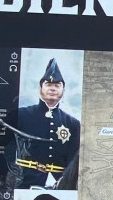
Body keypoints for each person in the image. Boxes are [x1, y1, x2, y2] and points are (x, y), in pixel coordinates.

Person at [13, 58, 81, 189]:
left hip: (61, 186)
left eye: (57, 85)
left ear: (63, 90)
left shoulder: (73, 124)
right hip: (24, 183)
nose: (53, 88)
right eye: (48, 84)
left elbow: (73, 160)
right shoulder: (21, 115)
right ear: (40, 88)